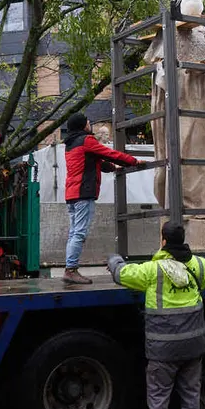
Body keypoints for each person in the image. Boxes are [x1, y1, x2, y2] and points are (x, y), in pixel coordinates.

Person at [108, 223, 205, 409]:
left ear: (163, 241)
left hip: (163, 353)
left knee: (159, 404)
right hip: (193, 349)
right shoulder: (198, 266)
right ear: (182, 240)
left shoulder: (152, 271)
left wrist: (114, 260)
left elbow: (122, 275)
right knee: (191, 400)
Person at [62, 112, 143, 284]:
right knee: (79, 233)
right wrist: (133, 161)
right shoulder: (87, 140)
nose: (90, 124)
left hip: (72, 194)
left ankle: (69, 268)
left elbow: (96, 162)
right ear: (83, 125)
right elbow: (109, 153)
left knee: (73, 233)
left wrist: (113, 168)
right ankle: (70, 270)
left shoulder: (70, 144)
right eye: (88, 122)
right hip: (84, 193)